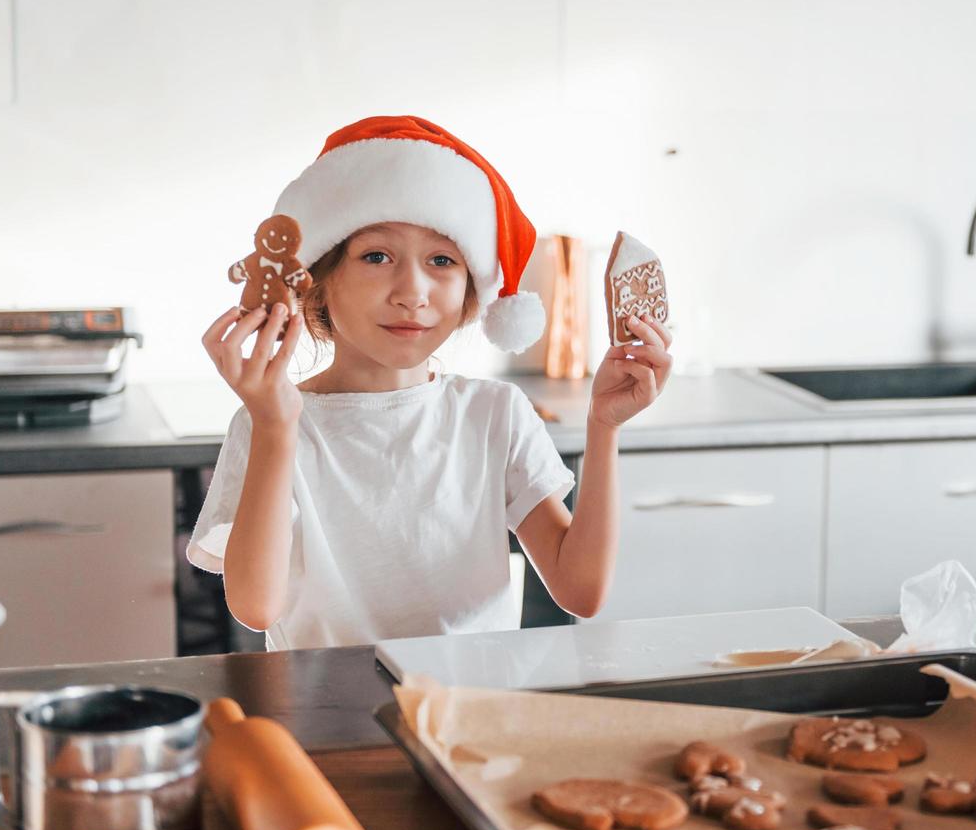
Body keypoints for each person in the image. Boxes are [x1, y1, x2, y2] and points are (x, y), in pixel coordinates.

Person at [188, 116, 671, 650]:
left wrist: (604, 427)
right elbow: (257, 608)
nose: (412, 291)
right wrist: (276, 429)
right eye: (377, 256)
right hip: (327, 718)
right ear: (318, 285)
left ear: (470, 292)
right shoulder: (270, 420)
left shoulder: (494, 413)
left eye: (442, 260)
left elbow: (581, 591)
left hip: (470, 707)